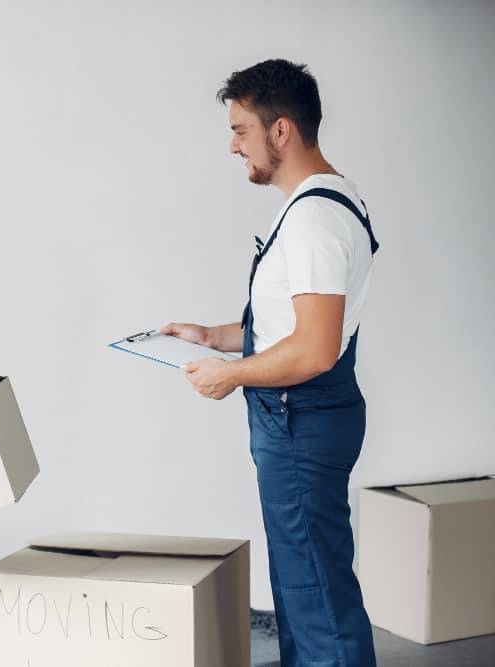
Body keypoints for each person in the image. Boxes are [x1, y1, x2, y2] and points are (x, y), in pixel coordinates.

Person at [162, 59, 379, 666]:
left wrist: (229, 375)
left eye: (240, 130)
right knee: (303, 583)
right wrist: (213, 337)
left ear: (280, 130)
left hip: (300, 420)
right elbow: (291, 329)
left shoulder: (313, 220)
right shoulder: (328, 200)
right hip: (305, 416)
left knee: (316, 597)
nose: (233, 146)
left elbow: (313, 349)